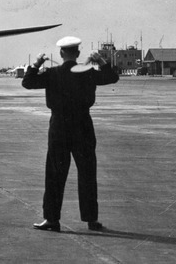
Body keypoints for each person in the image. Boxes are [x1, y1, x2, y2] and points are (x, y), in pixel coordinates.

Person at [22, 36, 119, 232]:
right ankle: (92, 220)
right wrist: (101, 61)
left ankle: (51, 219)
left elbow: (28, 82)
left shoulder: (52, 73)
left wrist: (36, 63)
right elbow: (112, 77)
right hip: (83, 125)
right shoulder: (89, 72)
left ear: (60, 54)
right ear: (78, 53)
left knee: (55, 175)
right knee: (87, 173)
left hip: (59, 127)